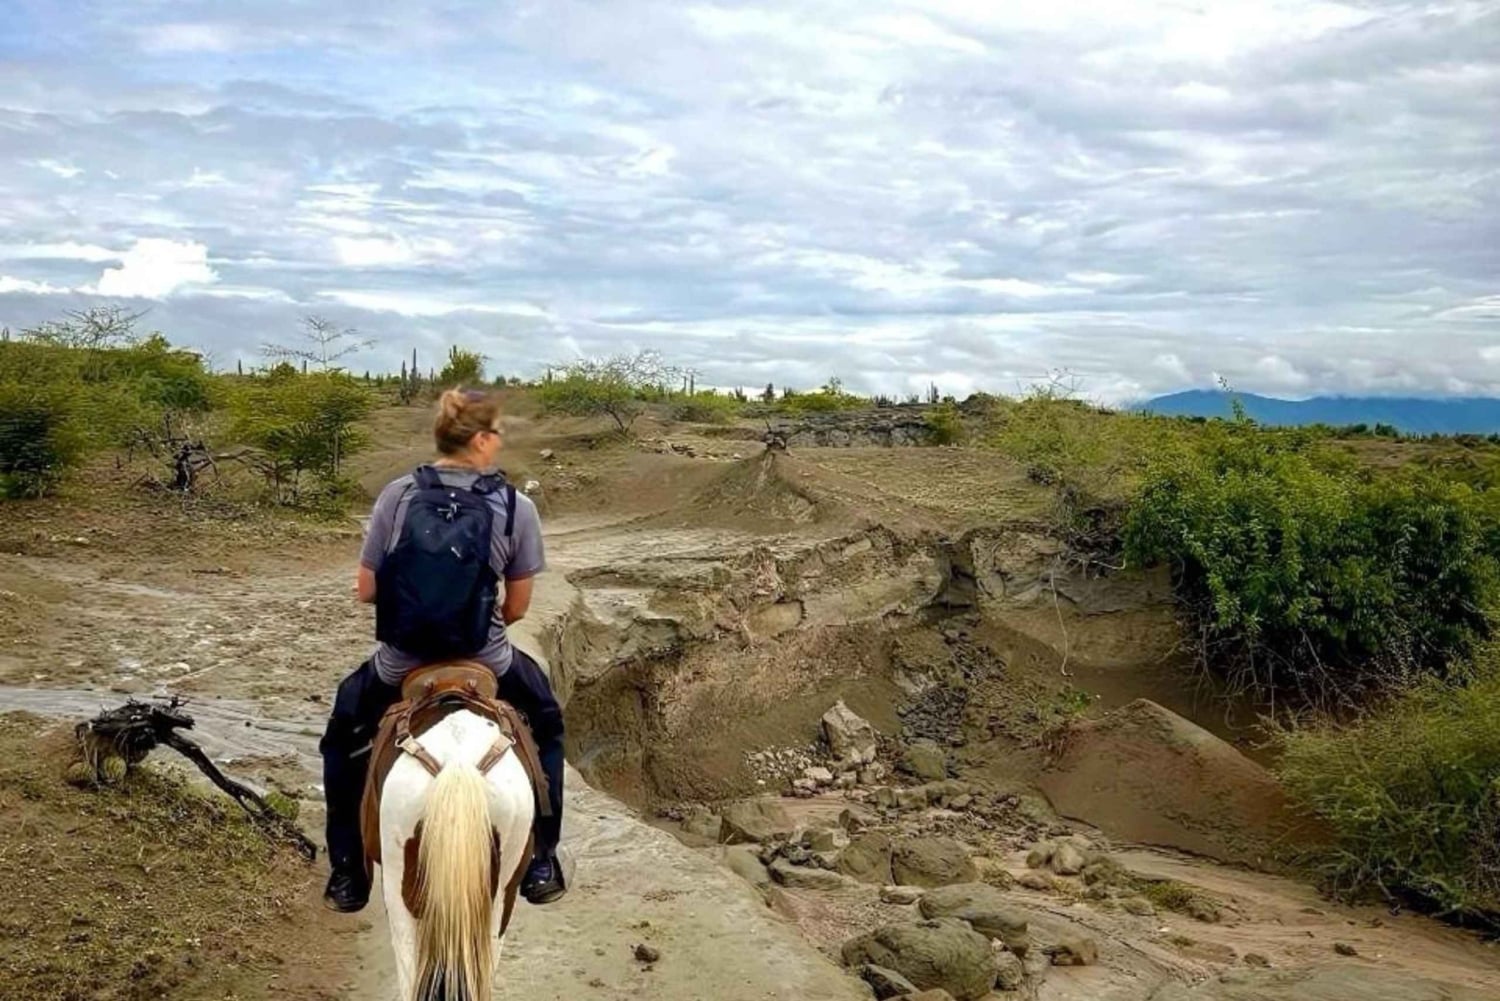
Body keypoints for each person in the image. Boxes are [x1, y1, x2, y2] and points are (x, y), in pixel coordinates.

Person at [319, 387, 566, 913]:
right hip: (486, 659)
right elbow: (518, 606)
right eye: (495, 434)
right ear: (479, 439)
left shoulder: (397, 495)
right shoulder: (514, 506)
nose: (497, 443)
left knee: (342, 737)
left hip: (400, 663)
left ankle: (347, 871)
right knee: (546, 724)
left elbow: (365, 590)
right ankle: (542, 860)